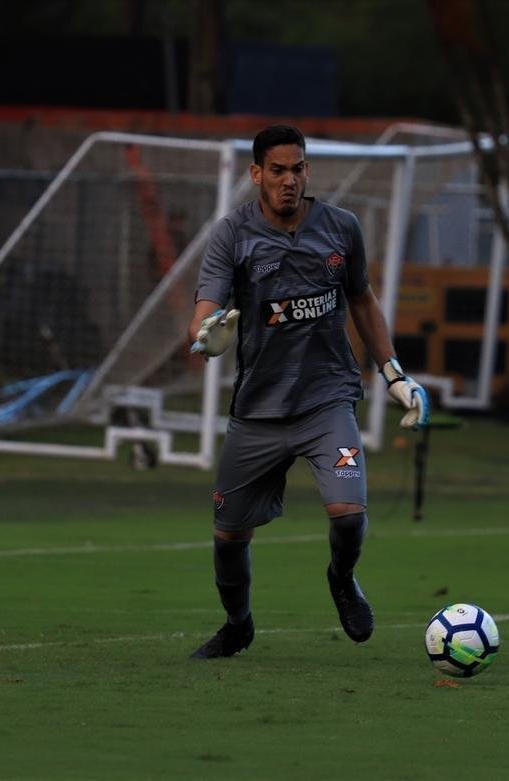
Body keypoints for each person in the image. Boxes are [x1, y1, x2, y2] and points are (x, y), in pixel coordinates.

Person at [186, 124, 429, 659]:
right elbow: (203, 318)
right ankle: (238, 624)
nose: (289, 180)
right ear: (256, 175)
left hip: (327, 399)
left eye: (298, 169)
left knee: (349, 513)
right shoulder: (232, 234)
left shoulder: (341, 228)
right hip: (259, 410)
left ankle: (342, 579)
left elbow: (363, 301)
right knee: (229, 537)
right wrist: (209, 338)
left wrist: (394, 374)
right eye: (277, 170)